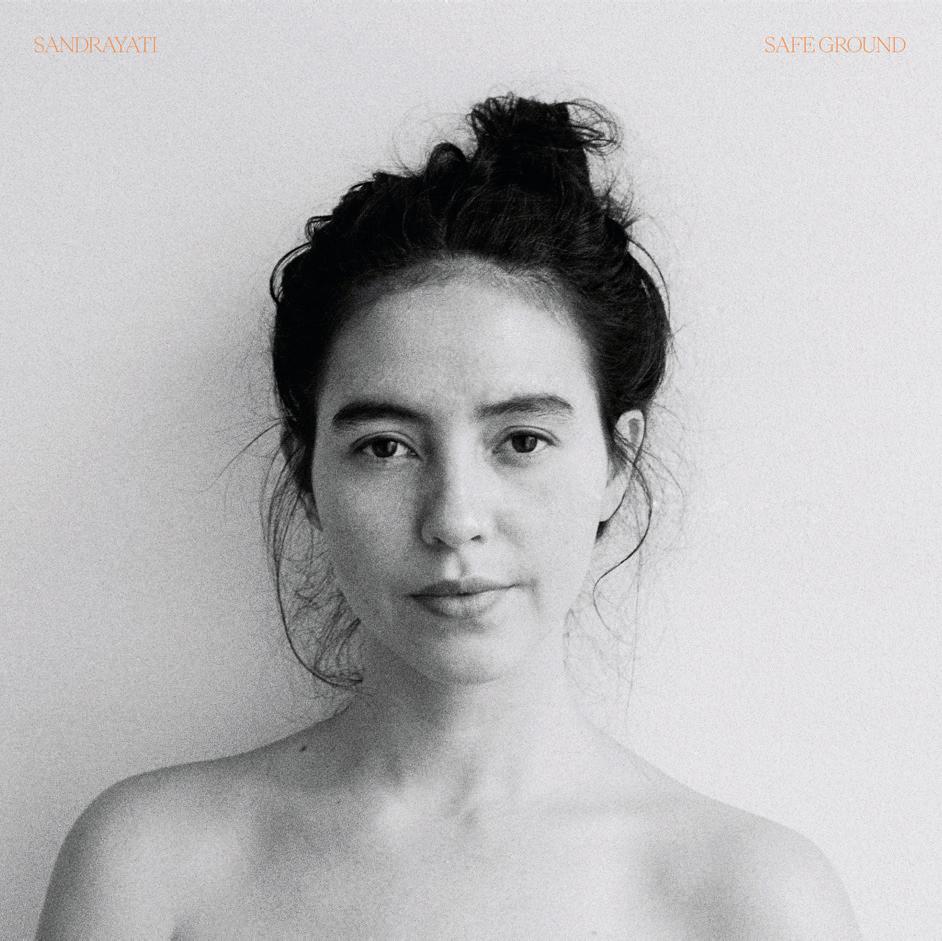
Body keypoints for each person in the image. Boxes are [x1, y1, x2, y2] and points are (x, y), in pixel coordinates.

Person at [37, 93, 860, 939]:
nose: (455, 519)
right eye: (386, 446)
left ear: (617, 463)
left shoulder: (756, 901)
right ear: (306, 471)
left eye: (523, 440)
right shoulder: (149, 867)